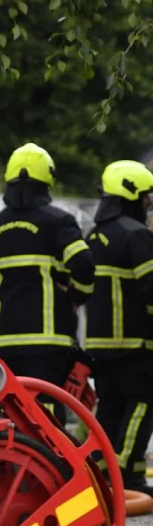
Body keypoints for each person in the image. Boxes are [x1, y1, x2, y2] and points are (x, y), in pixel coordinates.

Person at [0, 143, 95, 424]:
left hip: (8, 346)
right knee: (49, 419)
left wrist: (7, 303)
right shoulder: (60, 222)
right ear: (47, 180)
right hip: (51, 346)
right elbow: (84, 265)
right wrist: (76, 297)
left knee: (14, 416)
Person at [84, 160, 153, 494]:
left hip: (99, 344)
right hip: (135, 342)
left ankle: (101, 474)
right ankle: (124, 474)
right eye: (145, 197)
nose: (148, 204)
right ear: (130, 195)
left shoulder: (93, 236)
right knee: (143, 402)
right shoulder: (137, 235)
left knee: (110, 408)